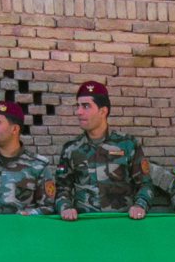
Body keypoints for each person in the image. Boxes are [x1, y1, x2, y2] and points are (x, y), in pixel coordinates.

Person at [55, 80, 150, 221]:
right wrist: (66, 208)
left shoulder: (127, 144)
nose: (78, 112)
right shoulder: (71, 149)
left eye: (86, 106)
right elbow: (61, 189)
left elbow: (145, 183)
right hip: (84, 224)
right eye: (78, 106)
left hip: (121, 223)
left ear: (103, 111)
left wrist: (140, 205)